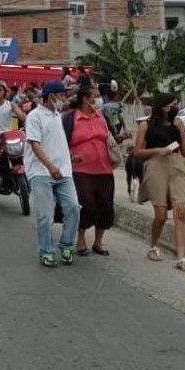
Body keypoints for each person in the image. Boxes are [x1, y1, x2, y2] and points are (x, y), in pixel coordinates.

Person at [62, 87, 128, 257]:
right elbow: (62, 142)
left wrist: (122, 137)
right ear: (84, 99)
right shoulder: (71, 118)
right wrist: (69, 156)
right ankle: (81, 239)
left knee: (105, 205)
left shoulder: (102, 117)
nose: (98, 100)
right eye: (94, 97)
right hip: (80, 169)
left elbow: (112, 137)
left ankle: (98, 242)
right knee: (86, 204)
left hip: (104, 168)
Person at [134, 92, 185, 273]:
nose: (173, 108)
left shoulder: (178, 124)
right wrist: (158, 150)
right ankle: (153, 246)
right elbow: (137, 151)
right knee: (161, 214)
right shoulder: (146, 125)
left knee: (180, 211)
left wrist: (182, 130)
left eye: (175, 105)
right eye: (170, 105)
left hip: (176, 165)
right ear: (161, 106)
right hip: (155, 165)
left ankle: (181, 258)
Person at [23, 80, 80, 268]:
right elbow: (35, 144)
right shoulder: (34, 116)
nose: (65, 98)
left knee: (72, 207)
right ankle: (46, 251)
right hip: (41, 172)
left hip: (64, 171)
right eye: (62, 95)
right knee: (45, 215)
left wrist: (69, 158)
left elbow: (55, 142)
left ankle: (65, 245)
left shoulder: (57, 116)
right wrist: (50, 167)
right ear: (51, 96)